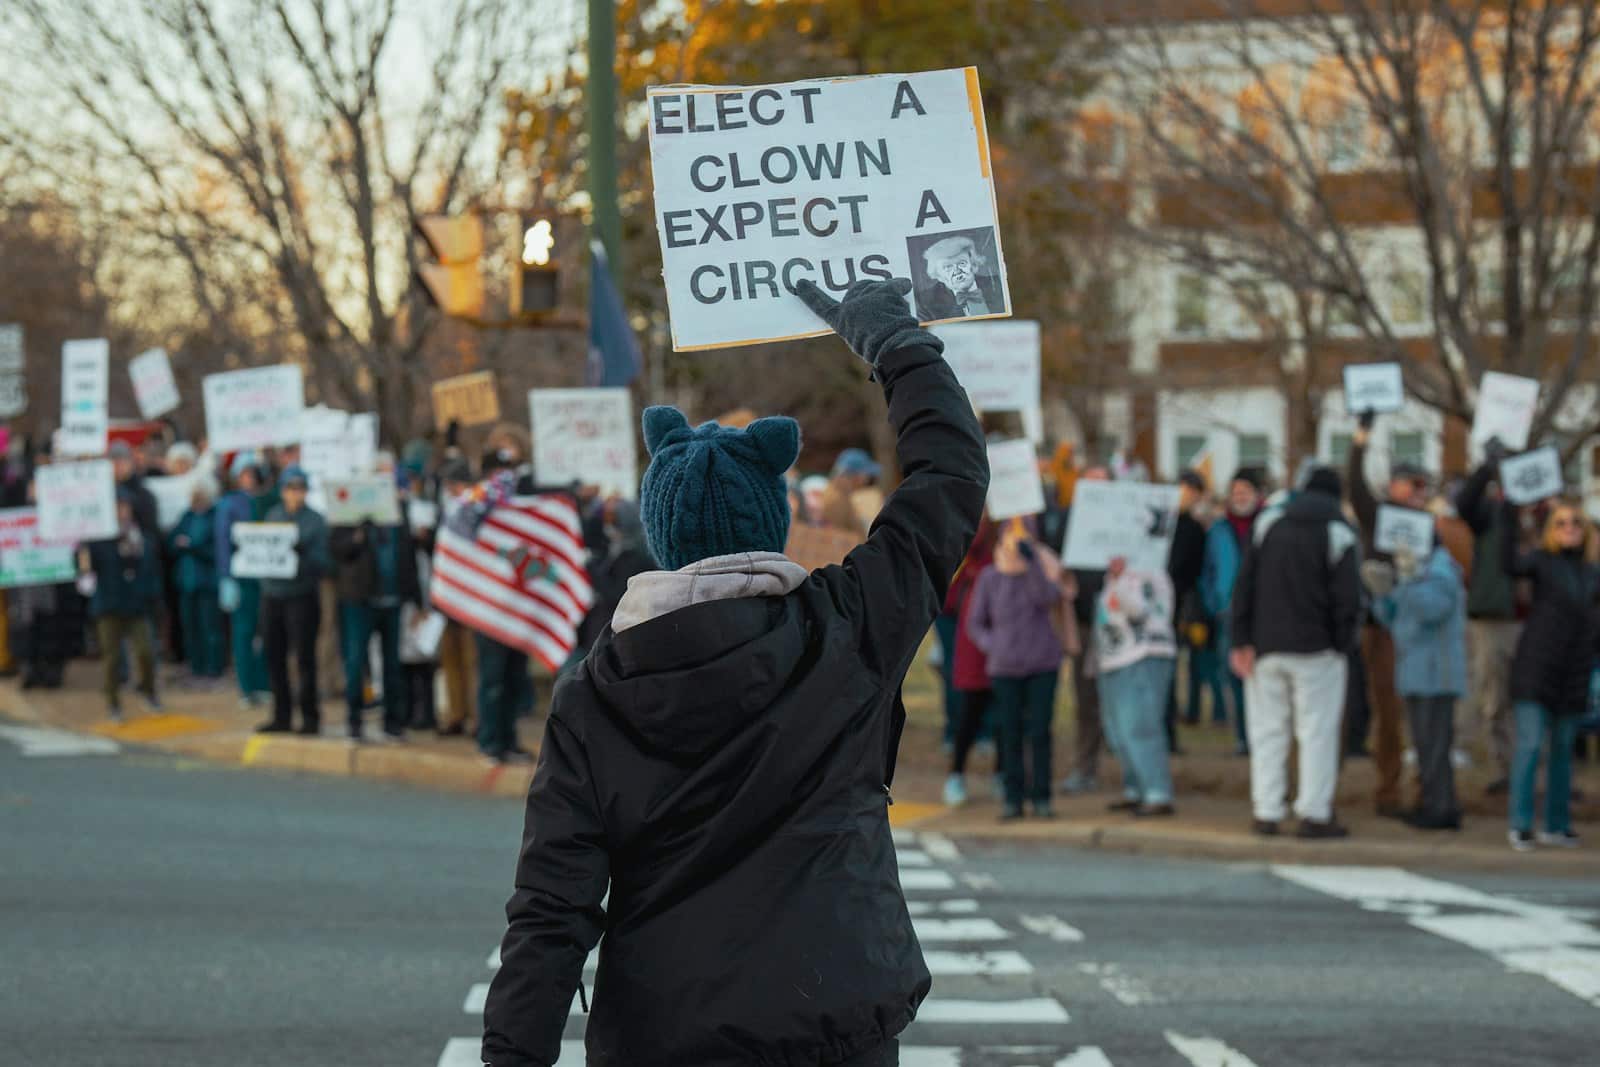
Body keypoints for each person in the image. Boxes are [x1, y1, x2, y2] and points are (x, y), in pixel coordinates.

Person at [481, 278, 988, 1067]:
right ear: (773, 516)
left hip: (664, 1035)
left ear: (660, 532)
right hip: (836, 1023)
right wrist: (898, 346)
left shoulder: (594, 690)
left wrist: (513, 1056)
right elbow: (948, 479)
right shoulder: (845, 626)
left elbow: (551, 908)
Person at [1231, 467, 1362, 839]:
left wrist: (1241, 638)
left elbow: (1245, 585)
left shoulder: (1269, 525)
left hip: (1266, 644)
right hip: (1318, 647)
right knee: (1316, 733)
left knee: (1268, 731)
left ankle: (1266, 810)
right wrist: (1342, 643)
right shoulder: (1337, 532)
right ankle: (1314, 812)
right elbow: (1348, 598)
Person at [1500, 497, 1597, 851]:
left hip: (1574, 673)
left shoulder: (1592, 573)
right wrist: (1509, 509)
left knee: (1562, 751)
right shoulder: (1541, 562)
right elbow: (1508, 563)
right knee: (1528, 746)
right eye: (1561, 522)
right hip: (1537, 669)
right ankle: (1520, 823)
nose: (1569, 527)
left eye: (1575, 522)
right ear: (1551, 530)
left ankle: (1557, 824)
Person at [1347, 413, 1431, 815]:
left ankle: (1425, 786)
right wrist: (1361, 438)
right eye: (1412, 483)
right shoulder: (1376, 514)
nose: (1418, 490)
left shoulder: (1431, 525)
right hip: (1382, 629)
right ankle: (1388, 789)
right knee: (1388, 711)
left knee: (1422, 713)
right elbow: (1355, 483)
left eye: (1423, 485)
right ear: (1394, 486)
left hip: (1421, 629)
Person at [964, 518, 1071, 819]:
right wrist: (994, 645)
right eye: (1011, 532)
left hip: (1042, 664)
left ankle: (1042, 797)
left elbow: (1047, 597)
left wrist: (1032, 561)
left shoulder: (1043, 568)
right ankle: (1013, 798)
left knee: (1039, 732)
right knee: (1009, 732)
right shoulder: (989, 576)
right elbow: (975, 623)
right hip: (1005, 667)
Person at [1366, 541, 1468, 830]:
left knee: (1435, 745)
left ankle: (1442, 807)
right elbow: (1393, 618)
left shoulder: (1442, 568)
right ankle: (1434, 803)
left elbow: (1431, 610)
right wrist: (1382, 593)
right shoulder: (1414, 570)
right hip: (1415, 671)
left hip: (1437, 674)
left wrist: (1406, 582)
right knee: (1424, 745)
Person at [1455, 445, 1520, 793]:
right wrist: (1484, 467)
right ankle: (1505, 769)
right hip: (1495, 617)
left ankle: (1543, 770)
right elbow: (1464, 503)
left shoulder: (1551, 517)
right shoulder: (1491, 514)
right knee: (1495, 698)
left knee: (1536, 699)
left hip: (1543, 619)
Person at [1095, 555, 1178, 816]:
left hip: (1142, 655)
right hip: (1114, 659)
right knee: (1118, 731)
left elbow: (1141, 611)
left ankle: (1157, 793)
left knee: (1139, 726)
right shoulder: (1117, 571)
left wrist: (1119, 582)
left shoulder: (1150, 569)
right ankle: (1136, 788)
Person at [331, 515, 421, 741]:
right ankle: (354, 721)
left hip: (392, 601)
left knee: (392, 664)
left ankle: (392, 722)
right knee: (355, 661)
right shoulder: (350, 516)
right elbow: (337, 551)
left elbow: (408, 557)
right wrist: (357, 537)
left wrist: (416, 599)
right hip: (359, 601)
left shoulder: (398, 517)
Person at [257, 466, 331, 735]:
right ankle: (281, 714)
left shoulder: (315, 521)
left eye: (299, 488)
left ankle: (310, 716)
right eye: (290, 488)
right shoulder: (273, 516)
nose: (294, 494)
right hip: (273, 594)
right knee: (274, 656)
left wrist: (303, 555)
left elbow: (324, 563)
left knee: (304, 658)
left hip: (301, 595)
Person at [80, 492, 162, 719]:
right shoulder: (99, 539)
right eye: (117, 507)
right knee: (112, 657)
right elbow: (86, 568)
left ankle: (148, 692)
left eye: (125, 507)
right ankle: (113, 702)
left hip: (137, 603)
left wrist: (153, 597)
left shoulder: (141, 537)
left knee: (146, 651)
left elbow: (150, 569)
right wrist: (82, 552)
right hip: (109, 604)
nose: (122, 512)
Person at [1200, 469, 1264, 755]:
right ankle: (1243, 736)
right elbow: (1207, 571)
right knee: (1234, 673)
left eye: (1245, 492)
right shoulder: (1218, 529)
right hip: (1229, 609)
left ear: (1256, 494)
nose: (1239, 497)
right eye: (1235, 492)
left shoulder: (1268, 525)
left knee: (1262, 675)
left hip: (1264, 610)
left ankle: (1263, 735)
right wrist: (1214, 602)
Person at [1057, 464, 1109, 795]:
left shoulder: (1127, 524)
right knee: (1087, 699)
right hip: (1086, 625)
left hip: (1124, 628)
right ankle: (1086, 767)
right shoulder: (1067, 522)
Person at [942, 517, 1000, 807]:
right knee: (970, 710)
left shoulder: (1011, 535)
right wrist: (985, 517)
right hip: (974, 641)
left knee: (1007, 713)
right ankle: (956, 774)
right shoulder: (973, 546)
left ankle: (1004, 773)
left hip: (1008, 637)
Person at [216, 458, 271, 707]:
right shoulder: (229, 504)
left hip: (267, 576)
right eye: (244, 473)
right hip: (242, 578)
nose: (249, 478)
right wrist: (226, 577)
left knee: (266, 633)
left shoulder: (267, 499)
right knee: (243, 633)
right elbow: (223, 542)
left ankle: (263, 683)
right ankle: (246, 687)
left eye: (253, 473)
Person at [1166, 469, 1208, 749]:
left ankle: (1170, 731)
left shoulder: (1195, 529)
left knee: (1173, 671)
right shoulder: (1160, 520)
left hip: (1178, 606)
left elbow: (1194, 570)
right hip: (1155, 602)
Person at [169, 481, 224, 679]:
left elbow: (216, 550)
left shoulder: (215, 517)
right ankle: (196, 665)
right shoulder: (187, 516)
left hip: (208, 581)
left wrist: (192, 546)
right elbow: (172, 542)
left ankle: (213, 667)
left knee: (210, 627)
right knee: (190, 626)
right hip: (187, 581)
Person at [914, 232, 1007, 320]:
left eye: (962, 263)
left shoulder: (998, 284)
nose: (957, 271)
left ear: (973, 264)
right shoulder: (925, 302)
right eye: (948, 267)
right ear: (938, 276)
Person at [817, 447, 881, 534]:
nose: (867, 478)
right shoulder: (836, 499)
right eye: (865, 474)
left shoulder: (841, 494)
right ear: (856, 475)